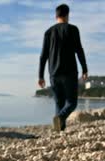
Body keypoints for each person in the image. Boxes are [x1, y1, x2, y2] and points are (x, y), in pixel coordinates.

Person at [38, 3, 88, 132]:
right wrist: (84, 69)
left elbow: (43, 56)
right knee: (72, 102)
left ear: (56, 15)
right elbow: (79, 50)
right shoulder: (73, 29)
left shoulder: (48, 32)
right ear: (67, 15)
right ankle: (59, 119)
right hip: (69, 72)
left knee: (59, 102)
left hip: (53, 73)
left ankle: (59, 130)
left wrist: (40, 76)